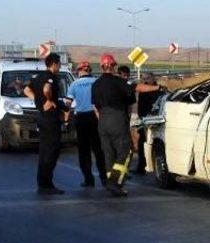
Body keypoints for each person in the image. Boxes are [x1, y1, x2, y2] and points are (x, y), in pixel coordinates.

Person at [91, 54, 137, 197]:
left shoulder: (95, 84)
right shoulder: (119, 82)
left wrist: (101, 119)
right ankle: (115, 182)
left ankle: (111, 181)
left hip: (102, 121)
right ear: (113, 66)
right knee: (126, 151)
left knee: (109, 154)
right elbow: (132, 95)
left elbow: (95, 106)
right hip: (117, 119)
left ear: (102, 66)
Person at [24, 53, 69, 195]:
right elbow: (46, 89)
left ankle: (42, 183)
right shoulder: (50, 77)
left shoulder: (38, 76)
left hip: (42, 117)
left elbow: (26, 90)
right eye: (59, 64)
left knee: (44, 151)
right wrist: (48, 100)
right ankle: (46, 184)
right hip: (50, 119)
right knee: (52, 151)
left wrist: (39, 102)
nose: (60, 66)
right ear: (54, 64)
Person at [65, 61, 107, 187]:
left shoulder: (74, 84)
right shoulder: (97, 82)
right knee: (98, 149)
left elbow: (68, 103)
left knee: (84, 151)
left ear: (79, 71)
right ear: (90, 70)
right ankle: (104, 178)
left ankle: (89, 179)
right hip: (96, 117)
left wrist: (65, 118)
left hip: (81, 119)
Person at [135, 72, 163, 174]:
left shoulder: (159, 90)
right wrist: (142, 118)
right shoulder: (143, 91)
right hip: (145, 120)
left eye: (147, 78)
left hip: (157, 120)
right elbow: (140, 107)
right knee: (142, 142)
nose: (146, 81)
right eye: (144, 79)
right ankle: (141, 166)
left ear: (153, 78)